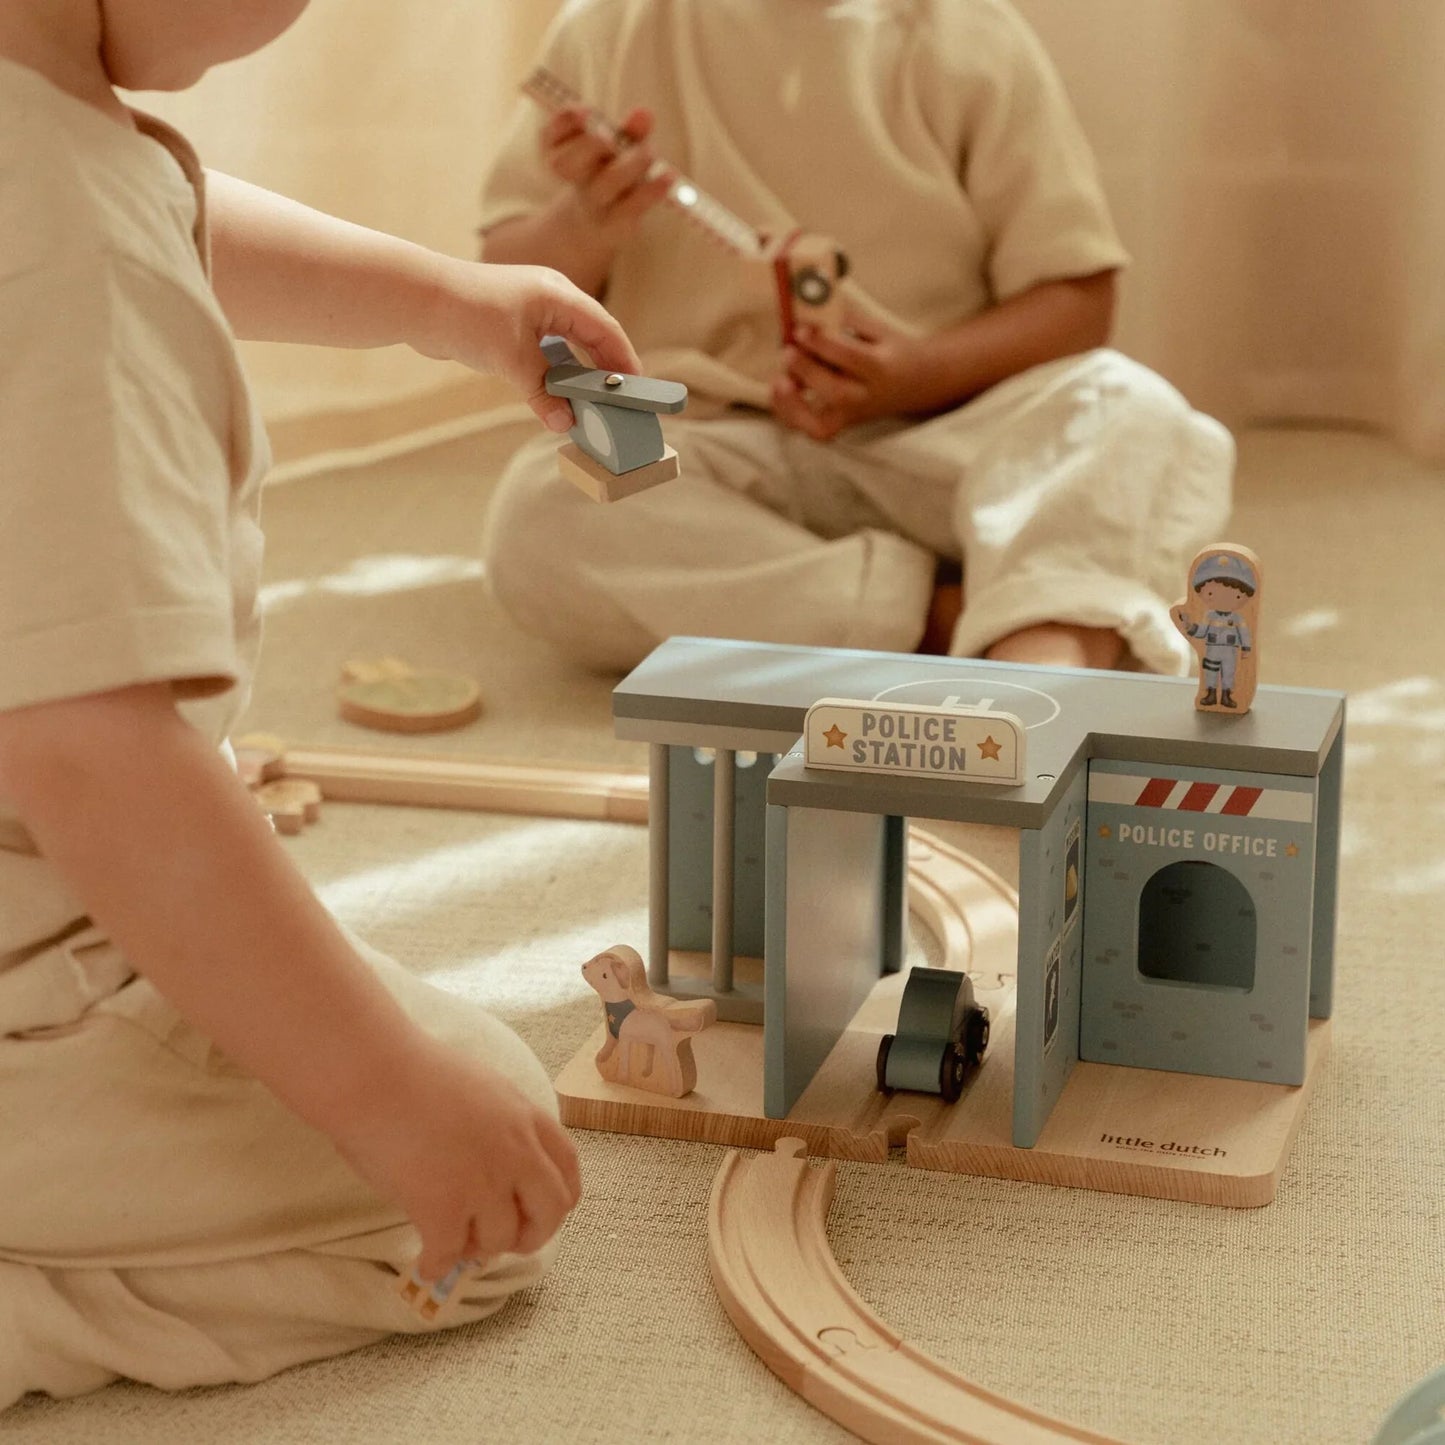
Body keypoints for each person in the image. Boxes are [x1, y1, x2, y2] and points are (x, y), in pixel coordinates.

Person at [0, 0, 642, 1409]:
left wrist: (445, 304)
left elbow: (166, 206)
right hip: (28, 1008)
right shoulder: (70, 253)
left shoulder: (41, 138)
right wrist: (392, 1098)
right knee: (479, 1169)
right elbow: (95, 759)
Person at [478, 0, 1235, 676]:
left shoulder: (969, 35)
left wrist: (923, 371)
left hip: (945, 441)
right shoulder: (607, 27)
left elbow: (1077, 298)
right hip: (706, 444)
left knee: (1129, 407)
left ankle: (1036, 654)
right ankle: (973, 617)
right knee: (546, 503)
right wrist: (583, 223)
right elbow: (505, 284)